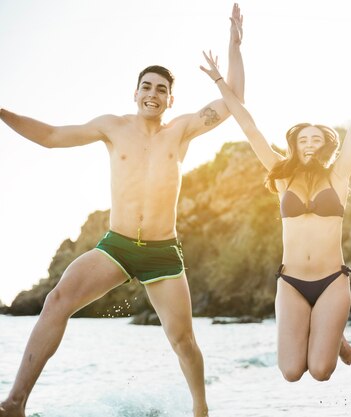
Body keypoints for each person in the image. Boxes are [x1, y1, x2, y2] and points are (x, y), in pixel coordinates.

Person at [0, 4, 245, 417]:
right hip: (116, 247)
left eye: (161, 89)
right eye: (146, 87)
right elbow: (51, 136)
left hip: (162, 253)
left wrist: (235, 45)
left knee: (182, 340)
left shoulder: (182, 129)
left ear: (170, 99)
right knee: (57, 299)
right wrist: (2, 111)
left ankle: (201, 410)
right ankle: (14, 403)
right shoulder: (112, 126)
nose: (153, 94)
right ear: (135, 93)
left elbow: (235, 99)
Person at [199, 38, 351, 381]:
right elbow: (248, 125)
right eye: (303, 140)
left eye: (317, 139)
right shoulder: (281, 178)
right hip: (291, 282)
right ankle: (329, 331)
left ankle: (331, 333)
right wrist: (219, 80)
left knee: (320, 371)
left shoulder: (339, 176)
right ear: (294, 146)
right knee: (290, 372)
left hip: (332, 280)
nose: (310, 144)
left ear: (327, 147)